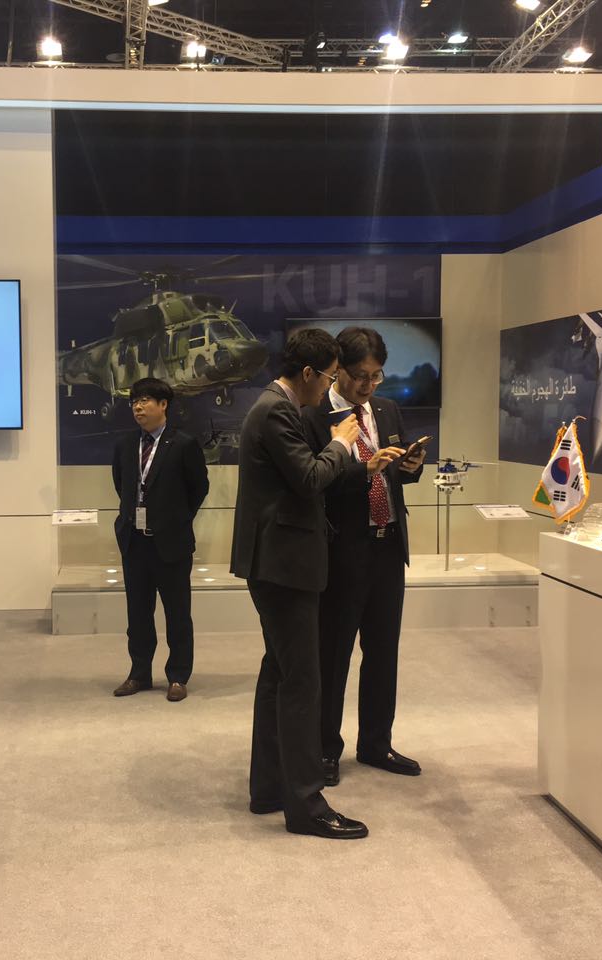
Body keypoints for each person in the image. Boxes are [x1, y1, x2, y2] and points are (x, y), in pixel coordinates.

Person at [231, 328, 394, 840]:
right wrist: (343, 443)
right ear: (308, 373)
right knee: (302, 683)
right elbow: (309, 478)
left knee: (279, 676)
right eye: (329, 377)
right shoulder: (276, 411)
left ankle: (268, 788)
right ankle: (305, 804)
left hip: (280, 563)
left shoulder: (277, 407)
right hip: (284, 565)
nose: (330, 388)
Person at [302, 327, 427, 787]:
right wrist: (363, 470)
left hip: (388, 545)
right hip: (342, 550)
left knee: (382, 652)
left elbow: (397, 475)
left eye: (376, 376)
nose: (368, 385)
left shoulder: (387, 409)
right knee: (333, 656)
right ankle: (324, 749)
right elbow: (313, 483)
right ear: (338, 369)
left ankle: (376, 742)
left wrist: (410, 467)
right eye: (359, 376)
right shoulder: (315, 415)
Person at [110, 378, 209, 702]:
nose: (138, 408)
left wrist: (176, 518)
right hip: (135, 542)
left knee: (177, 614)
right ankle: (139, 673)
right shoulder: (125, 444)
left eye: (145, 401)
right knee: (138, 614)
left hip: (171, 543)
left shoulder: (183, 444)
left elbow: (199, 487)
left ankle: (178, 676)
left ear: (163, 405)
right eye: (134, 402)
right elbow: (121, 484)